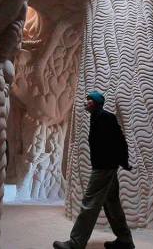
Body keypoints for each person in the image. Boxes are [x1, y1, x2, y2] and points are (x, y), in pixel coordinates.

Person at [53, 91, 135, 249]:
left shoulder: (106, 117)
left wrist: (123, 162)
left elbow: (119, 141)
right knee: (112, 205)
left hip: (104, 168)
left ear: (97, 103)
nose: (86, 102)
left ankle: (75, 243)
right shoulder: (96, 118)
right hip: (106, 167)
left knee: (89, 204)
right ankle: (125, 241)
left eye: (89, 100)